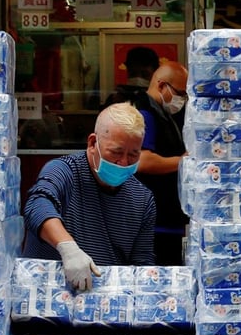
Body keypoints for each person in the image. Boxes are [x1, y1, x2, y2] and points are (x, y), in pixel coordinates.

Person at [22, 102, 156, 294]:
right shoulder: (64, 171)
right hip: (47, 301)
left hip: (105, 307)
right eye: (116, 152)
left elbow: (142, 264)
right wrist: (68, 248)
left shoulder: (142, 199)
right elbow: (37, 205)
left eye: (133, 154)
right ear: (93, 143)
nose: (123, 162)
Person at [132, 61, 190, 265]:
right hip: (156, 222)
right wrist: (184, 161)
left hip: (169, 218)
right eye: (180, 93)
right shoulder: (145, 113)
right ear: (161, 85)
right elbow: (143, 160)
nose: (182, 99)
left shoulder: (164, 114)